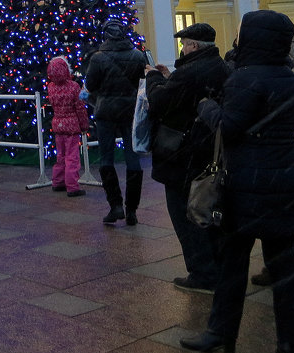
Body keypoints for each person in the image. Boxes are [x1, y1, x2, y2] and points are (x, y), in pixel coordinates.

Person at [180, 10, 294, 353]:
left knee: (233, 264)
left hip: (246, 184)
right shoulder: (289, 77)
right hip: (286, 180)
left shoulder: (244, 78)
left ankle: (221, 333)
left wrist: (207, 106)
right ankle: (288, 341)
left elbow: (229, 126)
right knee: (285, 267)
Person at [145, 22, 229, 294]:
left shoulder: (190, 71)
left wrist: (153, 79)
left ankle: (202, 273)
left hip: (183, 152)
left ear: (194, 46)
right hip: (209, 150)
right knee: (207, 208)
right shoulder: (220, 66)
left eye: (185, 44)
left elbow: (160, 102)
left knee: (185, 212)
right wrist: (171, 78)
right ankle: (217, 266)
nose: (183, 47)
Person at [85, 19, 146, 225]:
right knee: (133, 158)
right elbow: (142, 82)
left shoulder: (98, 58)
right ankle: (132, 211)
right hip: (130, 112)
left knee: (106, 159)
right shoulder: (138, 55)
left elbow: (90, 84)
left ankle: (115, 206)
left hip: (106, 112)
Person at [45, 56, 88, 197]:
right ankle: (72, 186)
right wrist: (84, 125)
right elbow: (80, 108)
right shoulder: (74, 87)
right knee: (72, 157)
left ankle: (57, 182)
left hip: (58, 124)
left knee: (60, 155)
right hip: (71, 126)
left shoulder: (50, 87)